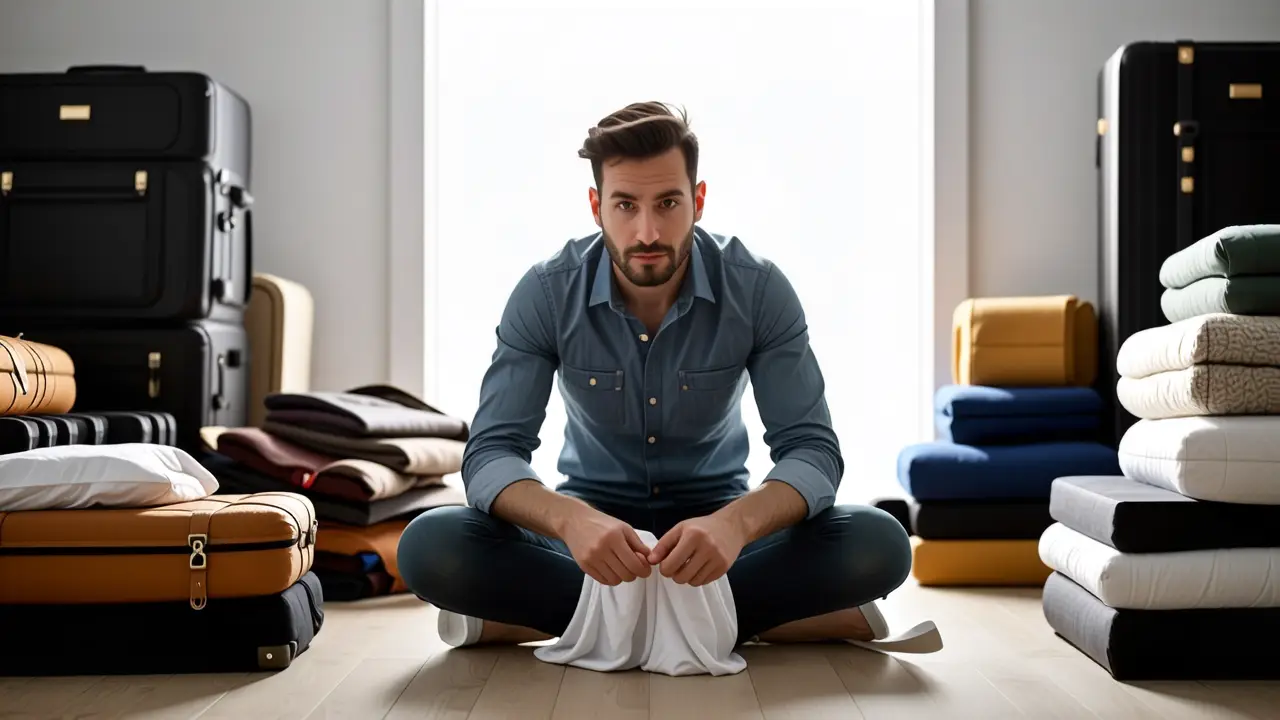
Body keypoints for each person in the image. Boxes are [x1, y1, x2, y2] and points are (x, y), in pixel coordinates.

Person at [398, 101, 914, 649]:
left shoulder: (758, 289)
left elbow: (812, 451)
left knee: (878, 541)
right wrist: (572, 522)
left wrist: (735, 526)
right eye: (625, 205)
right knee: (431, 545)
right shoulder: (546, 292)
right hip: (589, 549)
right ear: (597, 206)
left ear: (699, 200)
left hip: (721, 545)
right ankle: (719, 623)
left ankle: (595, 626)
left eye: (668, 203)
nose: (648, 231)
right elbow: (490, 454)